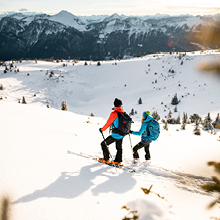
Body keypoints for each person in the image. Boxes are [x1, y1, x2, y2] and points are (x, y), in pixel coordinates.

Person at [99, 98, 125, 166]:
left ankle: (106, 159)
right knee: (119, 147)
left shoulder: (114, 113)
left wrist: (102, 129)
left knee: (103, 144)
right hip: (122, 134)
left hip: (115, 134)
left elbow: (108, 123)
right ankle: (118, 161)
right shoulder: (123, 113)